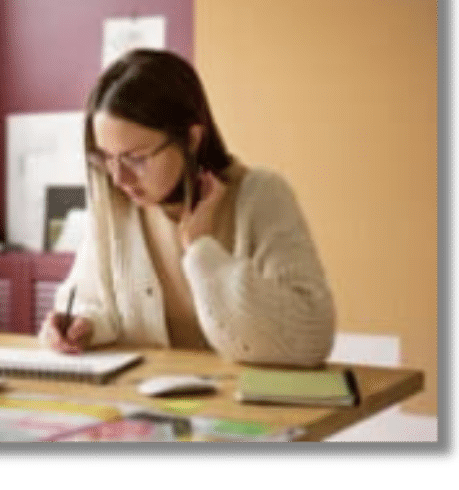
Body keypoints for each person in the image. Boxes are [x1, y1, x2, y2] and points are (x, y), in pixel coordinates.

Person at [37, 49, 336, 367]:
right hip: (141, 406)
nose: (119, 178)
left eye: (135, 158)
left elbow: (310, 339)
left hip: (238, 410)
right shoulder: (116, 204)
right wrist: (80, 325)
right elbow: (92, 299)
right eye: (106, 158)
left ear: (191, 139)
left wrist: (202, 250)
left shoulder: (261, 196)